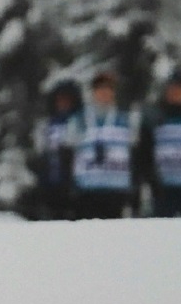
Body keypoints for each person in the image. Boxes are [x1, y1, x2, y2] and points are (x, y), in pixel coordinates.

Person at [136, 70, 181, 218]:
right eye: (172, 89)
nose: (176, 93)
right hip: (163, 193)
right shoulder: (154, 121)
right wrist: (153, 184)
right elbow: (144, 155)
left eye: (180, 89)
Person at [69, 70, 136, 220]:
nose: (104, 93)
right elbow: (69, 151)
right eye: (100, 89)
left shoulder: (125, 119)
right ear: (93, 92)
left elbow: (135, 152)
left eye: (108, 89)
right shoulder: (79, 120)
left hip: (116, 191)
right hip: (87, 191)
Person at [26, 79, 82, 221]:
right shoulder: (45, 125)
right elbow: (38, 151)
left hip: (74, 183)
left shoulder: (79, 123)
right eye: (60, 100)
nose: (63, 104)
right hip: (49, 182)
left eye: (67, 100)